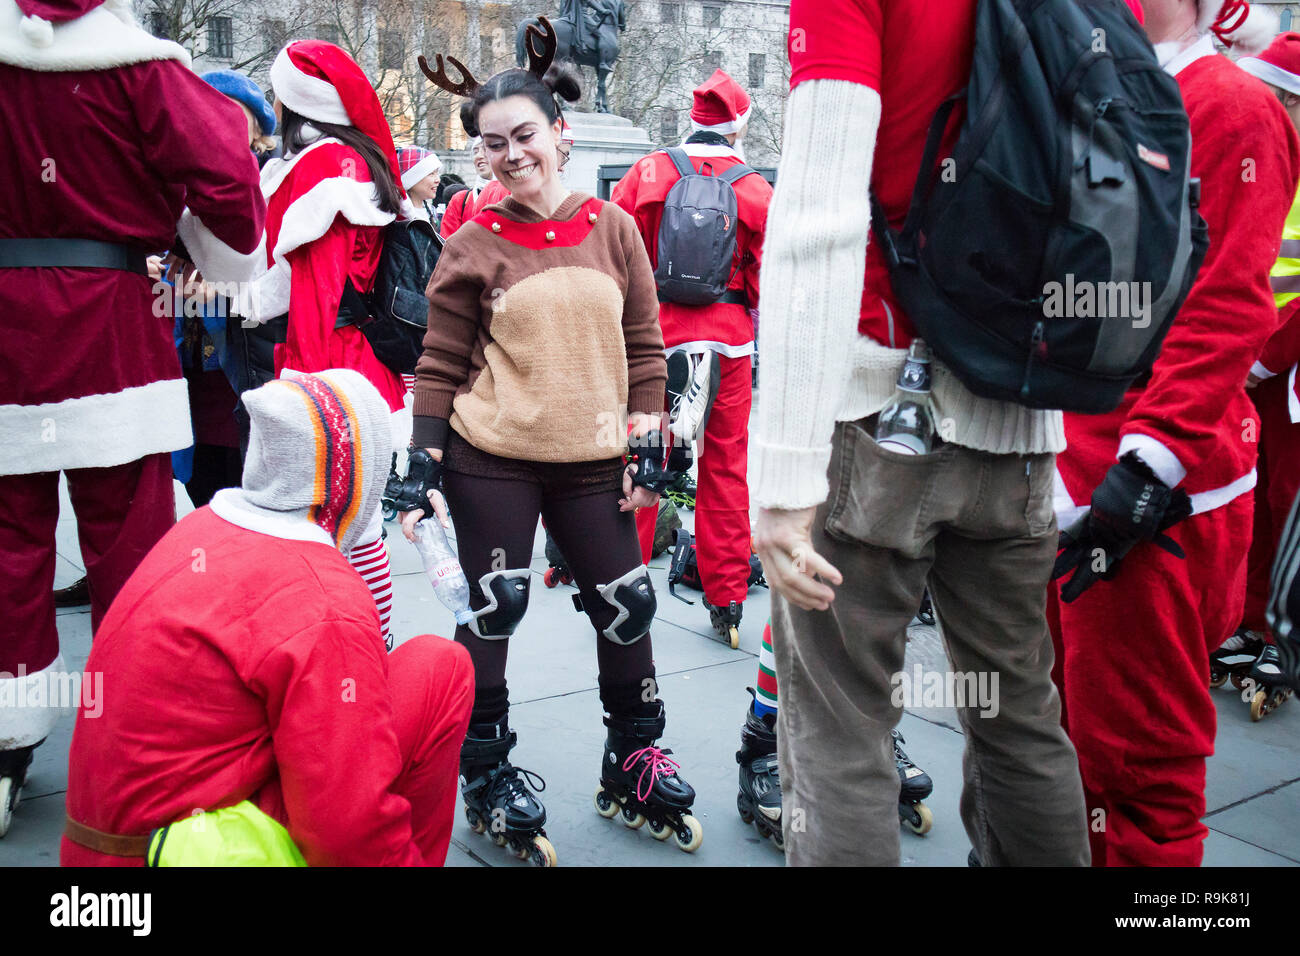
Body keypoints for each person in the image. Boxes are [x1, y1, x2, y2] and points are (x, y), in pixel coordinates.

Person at [751, 0, 1099, 867]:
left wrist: (785, 474)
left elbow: (819, 219)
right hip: (1018, 424)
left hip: (876, 411)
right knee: (1021, 719)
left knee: (842, 730)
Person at [405, 44, 702, 863]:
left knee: (627, 603)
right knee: (495, 606)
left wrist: (651, 453)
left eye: (524, 135)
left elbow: (645, 348)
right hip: (491, 454)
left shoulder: (615, 232)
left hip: (596, 458)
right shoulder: (472, 241)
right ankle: (485, 770)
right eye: (492, 144)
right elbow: (439, 359)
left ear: (560, 132)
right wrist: (422, 463)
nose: (511, 156)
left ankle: (633, 756)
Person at [0, 0, 264, 836]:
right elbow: (229, 185)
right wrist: (202, 250)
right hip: (116, 328)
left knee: (8, 552)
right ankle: (145, 732)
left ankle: (7, 745)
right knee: (135, 547)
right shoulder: (145, 66)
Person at [1049, 0, 1298, 865]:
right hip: (1069, 472)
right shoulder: (1093, 92)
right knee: (1061, 740)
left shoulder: (1231, 104)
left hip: (1152, 497)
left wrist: (1150, 460)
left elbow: (1231, 301)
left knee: (1139, 766)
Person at [61, 369, 474, 866]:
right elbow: (348, 836)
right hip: (189, 851)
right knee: (441, 668)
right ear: (352, 481)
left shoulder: (197, 532)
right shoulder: (323, 596)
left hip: (102, 850)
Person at [238, 40, 417, 650]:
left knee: (343, 530)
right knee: (353, 524)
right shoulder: (356, 159)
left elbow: (317, 289)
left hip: (331, 368)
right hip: (355, 364)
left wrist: (302, 386)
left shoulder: (325, 165)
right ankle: (365, 649)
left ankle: (362, 652)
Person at [613, 69, 772, 647]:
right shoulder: (754, 187)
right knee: (725, 469)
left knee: (646, 457)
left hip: (658, 339)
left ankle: (619, 585)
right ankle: (726, 600)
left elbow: (616, 253)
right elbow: (766, 281)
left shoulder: (648, 171)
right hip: (728, 342)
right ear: (737, 126)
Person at [1220, 32, 1300, 715]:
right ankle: (1249, 624)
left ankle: (1282, 634)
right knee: (1260, 496)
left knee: (1288, 501)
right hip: (1254, 362)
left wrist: (1263, 355)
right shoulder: (1262, 155)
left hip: (1278, 362)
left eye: (1272, 95)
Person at [398, 146, 444, 218]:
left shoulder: (435, 214)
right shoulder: (395, 217)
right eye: (431, 174)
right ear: (411, 179)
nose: (438, 180)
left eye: (437, 173)